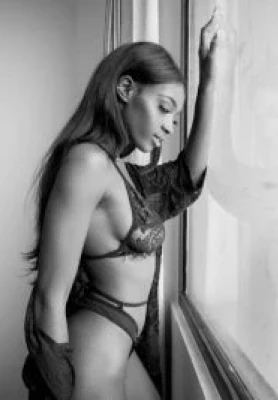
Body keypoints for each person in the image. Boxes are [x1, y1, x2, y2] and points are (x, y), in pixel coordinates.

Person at [22, 9, 229, 400]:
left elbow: (186, 178)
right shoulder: (88, 162)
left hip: (122, 348)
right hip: (93, 352)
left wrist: (209, 79)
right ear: (126, 88)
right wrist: (58, 386)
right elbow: (49, 295)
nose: (169, 125)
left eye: (175, 117)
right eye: (164, 108)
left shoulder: (124, 174)